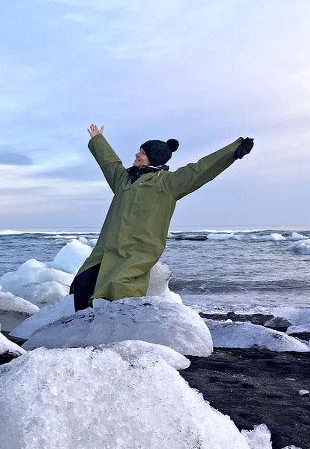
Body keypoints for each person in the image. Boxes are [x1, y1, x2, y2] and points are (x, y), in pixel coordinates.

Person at [71, 124, 254, 311]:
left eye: (142, 152)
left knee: (120, 289)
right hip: (108, 247)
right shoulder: (124, 179)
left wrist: (232, 151)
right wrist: (97, 139)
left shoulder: (167, 183)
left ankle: (122, 334)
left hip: (136, 251)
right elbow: (110, 163)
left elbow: (200, 170)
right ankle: (84, 329)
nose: (136, 154)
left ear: (153, 158)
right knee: (82, 282)